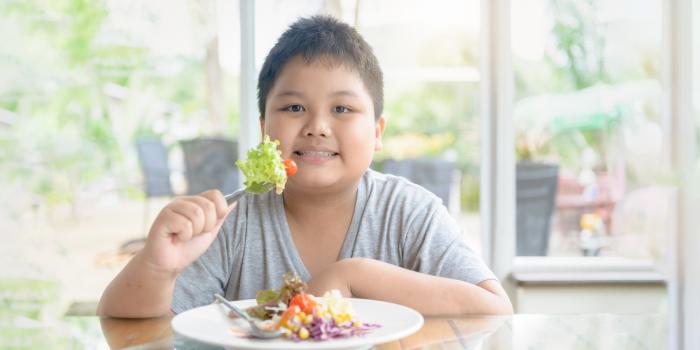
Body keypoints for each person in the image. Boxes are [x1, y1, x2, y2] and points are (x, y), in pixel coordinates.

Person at [98, 15, 512, 318]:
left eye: (342, 108)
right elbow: (126, 325)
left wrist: (354, 275)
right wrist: (157, 266)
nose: (317, 126)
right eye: (294, 107)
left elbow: (494, 310)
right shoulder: (232, 222)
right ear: (265, 130)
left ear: (377, 131)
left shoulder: (410, 213)